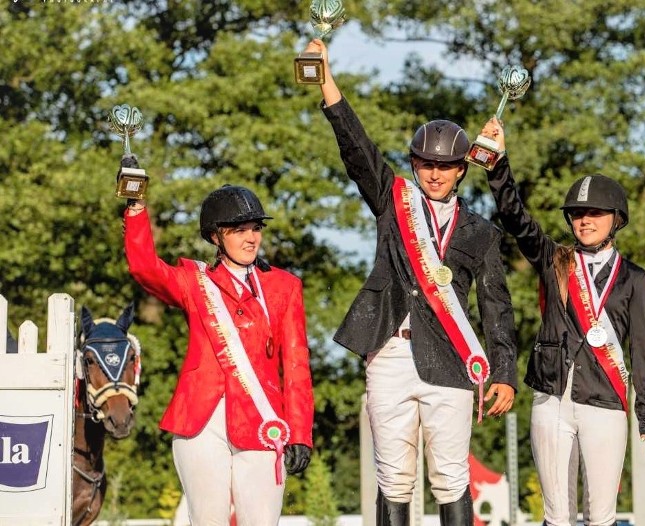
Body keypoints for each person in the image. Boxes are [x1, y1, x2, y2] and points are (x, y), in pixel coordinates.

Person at [307, 38, 518, 526]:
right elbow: (357, 152)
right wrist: (326, 82)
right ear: (414, 164)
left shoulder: (482, 233)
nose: (435, 172)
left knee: (449, 477)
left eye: (445, 165)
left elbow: (496, 307)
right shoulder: (392, 201)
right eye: (426, 163)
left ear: (462, 168)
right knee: (393, 478)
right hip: (391, 352)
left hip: (453, 356)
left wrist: (504, 371)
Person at [479, 118, 645, 526]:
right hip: (551, 398)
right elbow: (517, 219)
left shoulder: (636, 279)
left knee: (601, 514)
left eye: (594, 213)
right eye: (577, 214)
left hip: (605, 401)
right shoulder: (555, 259)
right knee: (556, 513)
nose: (584, 220)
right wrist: (496, 164)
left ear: (616, 218)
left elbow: (642, 351)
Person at [123, 182, 314, 525]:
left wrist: (300, 432)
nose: (251, 238)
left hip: (261, 420)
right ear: (215, 237)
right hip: (200, 422)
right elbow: (146, 269)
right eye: (239, 230)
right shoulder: (193, 281)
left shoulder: (286, 286)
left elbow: (297, 365)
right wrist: (136, 210)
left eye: (256, 228)